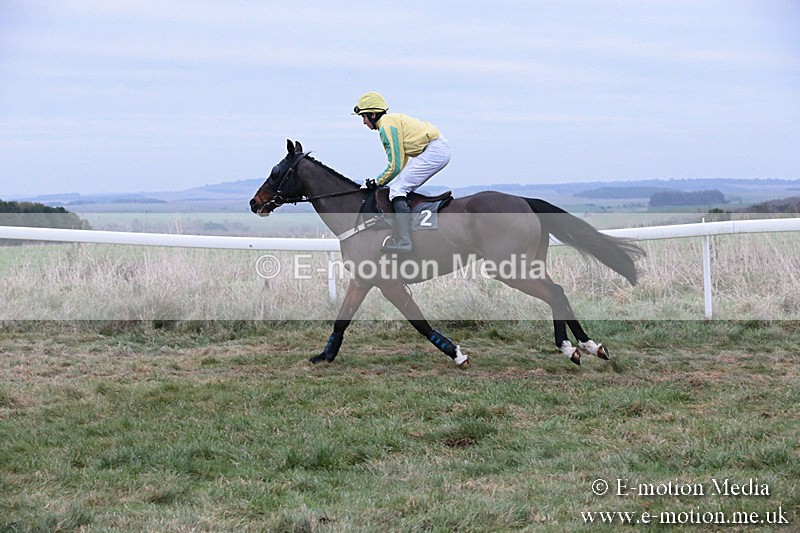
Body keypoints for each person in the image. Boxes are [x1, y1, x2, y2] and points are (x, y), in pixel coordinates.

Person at [353, 92, 450, 253]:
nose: (364, 122)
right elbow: (401, 160)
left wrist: (377, 182)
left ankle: (404, 241)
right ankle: (409, 228)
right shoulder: (389, 122)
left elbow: (395, 166)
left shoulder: (386, 127)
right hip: (434, 149)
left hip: (434, 151)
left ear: (373, 114)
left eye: (364, 117)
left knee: (398, 189)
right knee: (399, 187)